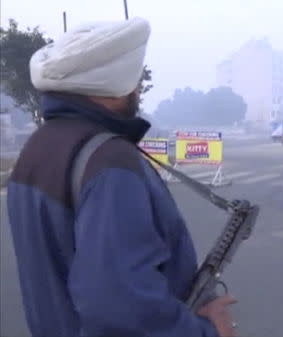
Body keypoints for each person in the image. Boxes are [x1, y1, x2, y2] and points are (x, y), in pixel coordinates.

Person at [7, 18, 235, 337]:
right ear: (115, 86)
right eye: (137, 79)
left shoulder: (37, 147)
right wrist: (207, 332)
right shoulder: (110, 160)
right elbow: (120, 308)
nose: (139, 88)